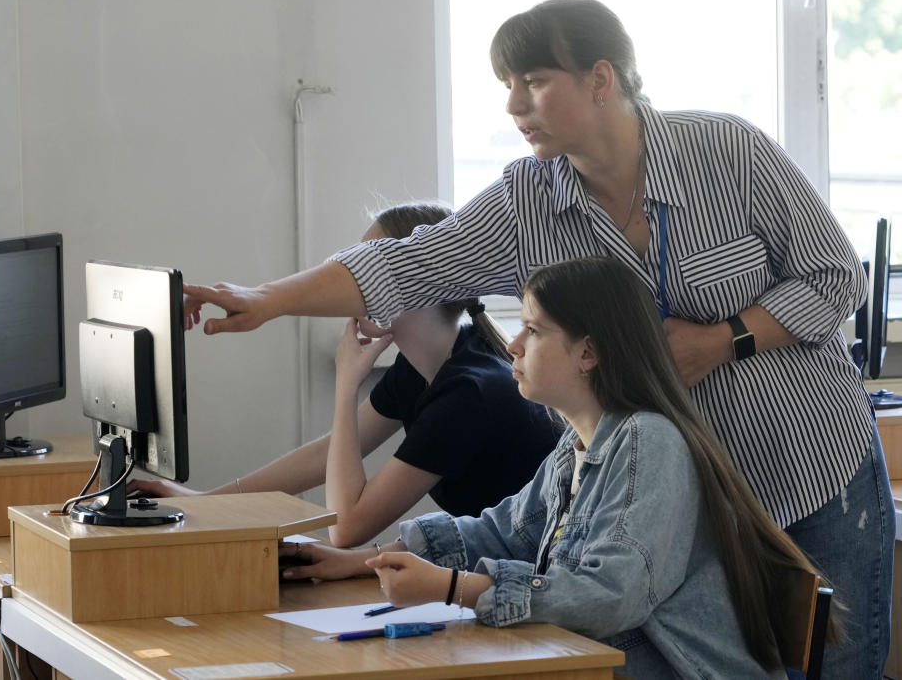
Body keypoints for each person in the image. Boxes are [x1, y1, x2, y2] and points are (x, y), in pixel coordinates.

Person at [182, 0, 891, 676]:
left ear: (600, 78)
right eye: (506, 85)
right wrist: (266, 298)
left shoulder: (725, 151)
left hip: (807, 466)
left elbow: (835, 278)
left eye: (534, 81)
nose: (514, 104)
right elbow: (405, 259)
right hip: (682, 501)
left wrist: (725, 338)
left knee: (836, 662)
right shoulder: (528, 199)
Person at [280, 256, 831, 678]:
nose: (513, 346)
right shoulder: (578, 443)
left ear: (588, 353)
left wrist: (453, 588)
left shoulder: (648, 441)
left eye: (534, 331)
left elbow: (611, 596)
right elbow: (504, 531)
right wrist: (360, 562)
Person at [132, 202, 561, 547]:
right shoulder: (427, 365)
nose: (356, 287)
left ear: (414, 280)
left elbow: (348, 528)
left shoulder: (469, 393)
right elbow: (329, 455)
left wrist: (345, 384)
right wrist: (207, 504)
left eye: (367, 272)